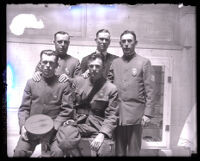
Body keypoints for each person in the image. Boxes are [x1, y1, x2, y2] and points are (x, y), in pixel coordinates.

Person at [13, 50, 74, 157]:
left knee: (58, 152)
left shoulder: (63, 84)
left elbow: (67, 110)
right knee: (19, 152)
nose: (47, 66)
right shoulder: (31, 83)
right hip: (32, 128)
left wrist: (53, 128)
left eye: (51, 63)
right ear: (40, 64)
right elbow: (24, 109)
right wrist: (23, 126)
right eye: (44, 62)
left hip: (54, 130)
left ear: (56, 65)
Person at [56, 54, 119, 156]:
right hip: (78, 123)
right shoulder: (78, 81)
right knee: (64, 141)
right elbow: (69, 103)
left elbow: (112, 115)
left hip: (98, 126)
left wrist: (102, 134)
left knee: (104, 150)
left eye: (97, 66)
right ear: (88, 68)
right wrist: (69, 119)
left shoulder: (111, 88)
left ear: (103, 68)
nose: (94, 69)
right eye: (91, 66)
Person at [108, 30, 155, 156]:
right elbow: (108, 87)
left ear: (135, 43)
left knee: (134, 151)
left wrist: (148, 114)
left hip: (136, 116)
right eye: (123, 41)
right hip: (118, 114)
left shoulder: (144, 62)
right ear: (120, 44)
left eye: (129, 41)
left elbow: (150, 90)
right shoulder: (115, 63)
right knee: (119, 151)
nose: (126, 44)